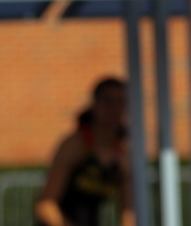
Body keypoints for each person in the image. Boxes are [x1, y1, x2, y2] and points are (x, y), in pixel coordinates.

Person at [34, 77, 134, 226]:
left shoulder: (122, 152)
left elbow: (128, 211)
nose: (115, 108)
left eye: (121, 102)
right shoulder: (75, 145)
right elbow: (45, 206)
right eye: (107, 101)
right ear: (94, 104)